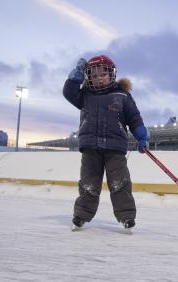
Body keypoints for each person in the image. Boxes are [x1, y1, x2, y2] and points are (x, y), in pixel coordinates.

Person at [63, 55, 149, 230]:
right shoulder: (85, 94)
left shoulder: (122, 95)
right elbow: (69, 93)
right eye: (93, 76)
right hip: (90, 147)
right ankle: (81, 215)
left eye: (102, 74)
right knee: (88, 183)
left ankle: (126, 216)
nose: (98, 78)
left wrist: (141, 136)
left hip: (115, 147)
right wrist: (75, 78)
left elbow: (134, 118)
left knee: (120, 182)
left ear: (112, 74)